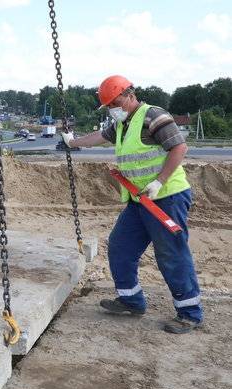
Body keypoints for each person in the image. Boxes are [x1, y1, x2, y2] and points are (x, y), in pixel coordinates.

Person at [61, 75, 203, 334]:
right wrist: (74, 142)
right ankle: (131, 301)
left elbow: (179, 147)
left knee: (171, 253)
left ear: (129, 95)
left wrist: (160, 181)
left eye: (115, 103)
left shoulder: (153, 116)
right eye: (109, 106)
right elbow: (98, 137)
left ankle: (189, 313)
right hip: (140, 201)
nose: (113, 109)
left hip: (167, 198)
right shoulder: (123, 125)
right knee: (120, 247)